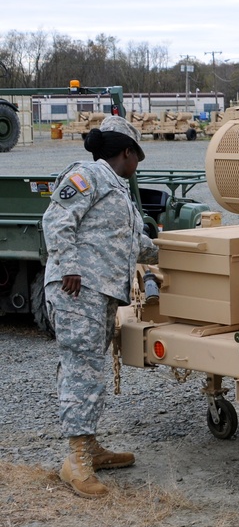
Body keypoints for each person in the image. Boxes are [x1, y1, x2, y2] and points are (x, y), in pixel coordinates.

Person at [42, 116, 159, 498]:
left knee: (89, 366)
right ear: (126, 152)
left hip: (100, 291)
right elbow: (56, 218)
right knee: (82, 367)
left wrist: (176, 248)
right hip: (78, 288)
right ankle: (75, 462)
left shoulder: (117, 189)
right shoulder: (87, 175)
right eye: (137, 156)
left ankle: (88, 447)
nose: (138, 164)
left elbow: (132, 243)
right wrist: (70, 267)